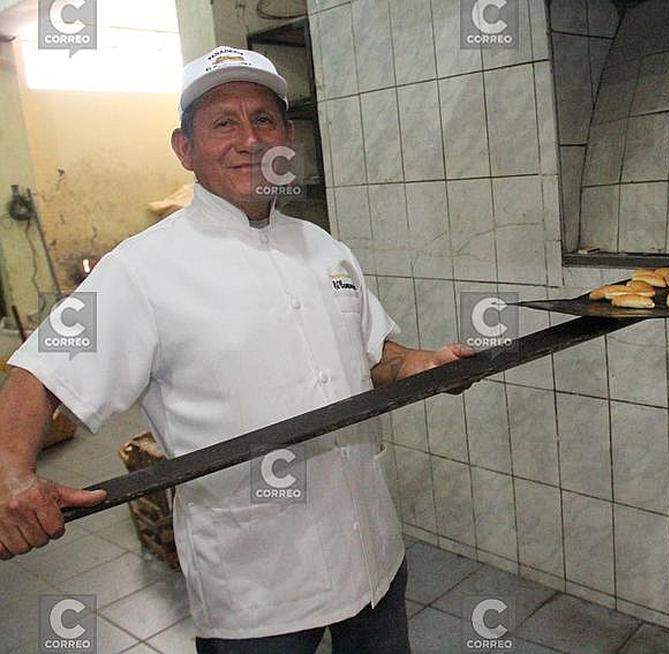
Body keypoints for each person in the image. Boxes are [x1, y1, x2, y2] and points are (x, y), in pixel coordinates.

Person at [0, 46, 474, 653]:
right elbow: (36, 375)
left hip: (372, 556)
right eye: (224, 122)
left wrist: (421, 365)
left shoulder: (324, 248)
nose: (249, 140)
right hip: (257, 591)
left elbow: (376, 357)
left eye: (264, 120)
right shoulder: (139, 271)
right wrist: (12, 476)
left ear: (287, 138)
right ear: (184, 147)